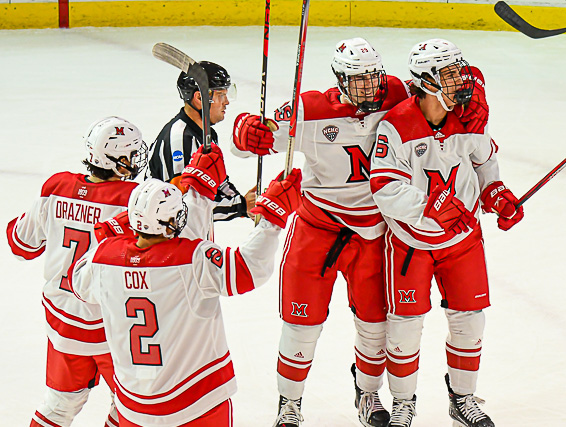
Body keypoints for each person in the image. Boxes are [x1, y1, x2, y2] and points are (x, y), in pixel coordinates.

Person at [231, 37, 489, 427]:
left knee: (375, 327)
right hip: (317, 229)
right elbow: (253, 140)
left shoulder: (398, 92)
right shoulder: (311, 108)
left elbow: (444, 92)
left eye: (374, 77)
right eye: (359, 80)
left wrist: (478, 99)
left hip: (373, 234)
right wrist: (246, 130)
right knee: (302, 325)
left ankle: (367, 393)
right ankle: (289, 404)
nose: (370, 87)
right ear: (340, 80)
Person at [68, 144, 302, 426]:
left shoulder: (103, 260)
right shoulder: (193, 259)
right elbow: (248, 269)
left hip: (134, 408)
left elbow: (80, 280)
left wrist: (197, 194)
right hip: (196, 403)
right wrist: (271, 220)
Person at [369, 38, 524, 427]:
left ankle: (463, 399)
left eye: (459, 70)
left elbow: (485, 162)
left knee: (470, 320)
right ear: (426, 81)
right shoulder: (396, 125)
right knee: (405, 327)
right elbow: (384, 187)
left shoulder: (467, 117)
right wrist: (430, 206)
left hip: (462, 239)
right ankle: (403, 403)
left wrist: (496, 192)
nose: (461, 80)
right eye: (450, 74)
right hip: (411, 242)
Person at [6, 116, 147, 427]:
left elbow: (21, 245)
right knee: (134, 410)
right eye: (131, 153)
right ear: (116, 159)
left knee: (58, 407)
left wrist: (48, 217)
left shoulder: (57, 187)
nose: (136, 159)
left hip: (63, 323)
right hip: (111, 328)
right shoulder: (132, 199)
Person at [146, 60, 256, 225]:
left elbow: (219, 183)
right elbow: (183, 206)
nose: (226, 102)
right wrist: (240, 206)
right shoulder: (181, 139)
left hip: (192, 232)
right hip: (168, 235)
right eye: (221, 95)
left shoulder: (207, 134)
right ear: (199, 98)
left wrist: (244, 202)